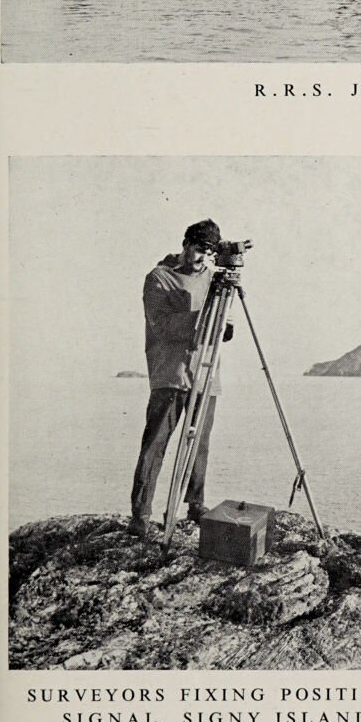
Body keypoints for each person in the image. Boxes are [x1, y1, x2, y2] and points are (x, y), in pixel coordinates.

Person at [128, 219, 233, 537]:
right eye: (198, 251)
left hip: (204, 375)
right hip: (171, 376)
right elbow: (161, 325)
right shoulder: (159, 278)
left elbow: (215, 326)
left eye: (208, 255)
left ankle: (195, 504)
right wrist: (203, 320)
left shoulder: (214, 279)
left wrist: (223, 328)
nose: (202, 260)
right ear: (186, 244)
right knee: (155, 445)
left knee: (200, 445)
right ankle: (141, 514)